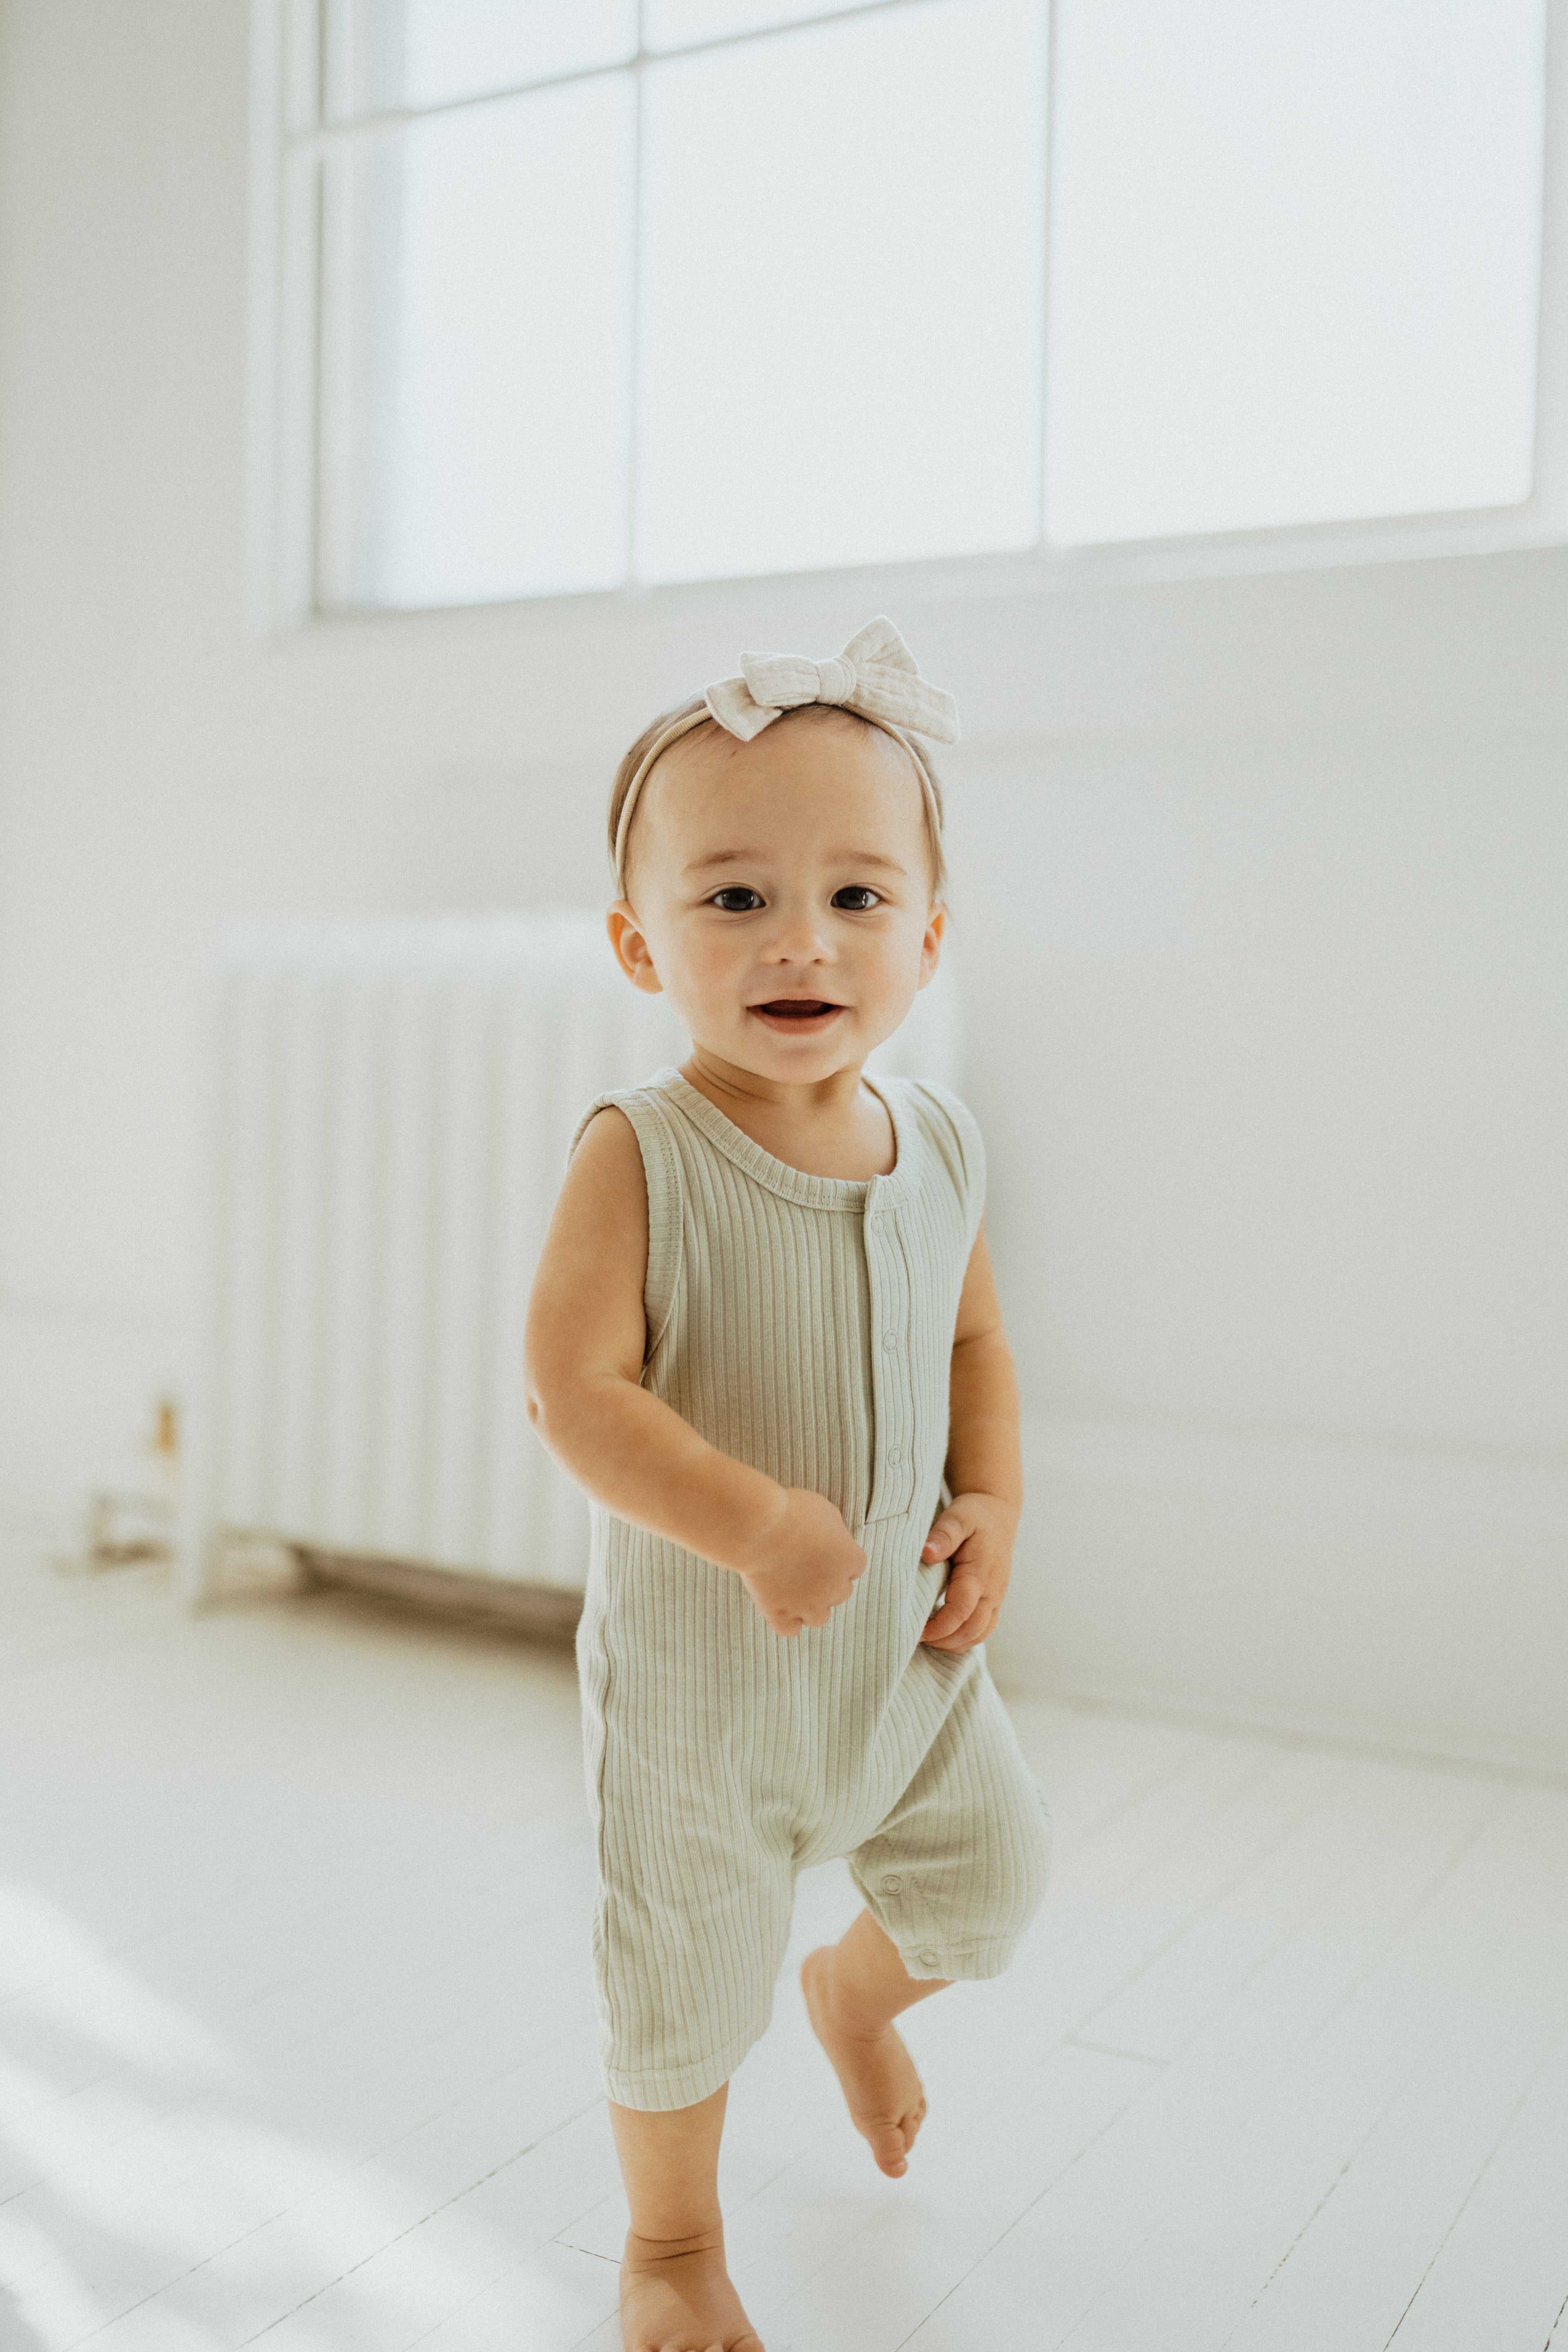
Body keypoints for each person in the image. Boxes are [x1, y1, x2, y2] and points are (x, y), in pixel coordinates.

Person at [524, 617, 1051, 2352]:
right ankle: (670, 2251)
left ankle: (855, 1995)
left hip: (902, 1658)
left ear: (929, 932)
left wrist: (995, 1503)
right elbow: (572, 1394)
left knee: (993, 1881)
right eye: (735, 898)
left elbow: (974, 1342)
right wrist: (753, 1521)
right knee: (677, 1990)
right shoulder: (643, 1156)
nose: (800, 940)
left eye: (856, 894)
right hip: (707, 1696)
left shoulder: (944, 1139)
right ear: (639, 940)